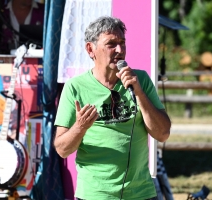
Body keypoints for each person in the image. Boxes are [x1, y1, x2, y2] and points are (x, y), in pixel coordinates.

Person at [54, 16, 171, 200]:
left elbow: (163, 133)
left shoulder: (140, 80)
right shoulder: (75, 87)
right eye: (111, 44)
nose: (120, 50)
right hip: (95, 195)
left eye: (122, 43)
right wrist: (80, 127)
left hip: (140, 194)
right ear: (90, 49)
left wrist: (139, 92)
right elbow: (62, 149)